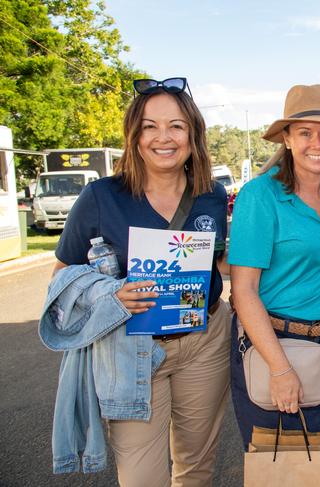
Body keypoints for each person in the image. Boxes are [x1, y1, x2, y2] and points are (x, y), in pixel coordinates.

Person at [52, 77, 231, 486]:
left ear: (193, 135)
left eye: (176, 126)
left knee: (196, 468)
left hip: (204, 343)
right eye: (150, 126)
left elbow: (216, 262)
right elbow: (61, 277)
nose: (163, 138)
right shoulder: (100, 197)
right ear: (134, 137)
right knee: (141, 476)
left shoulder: (212, 195)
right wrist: (111, 294)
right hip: (131, 348)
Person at [228, 84, 320, 446]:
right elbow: (243, 291)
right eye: (304, 133)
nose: (317, 142)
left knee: (316, 466)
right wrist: (280, 368)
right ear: (287, 139)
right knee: (279, 470)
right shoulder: (260, 196)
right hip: (275, 348)